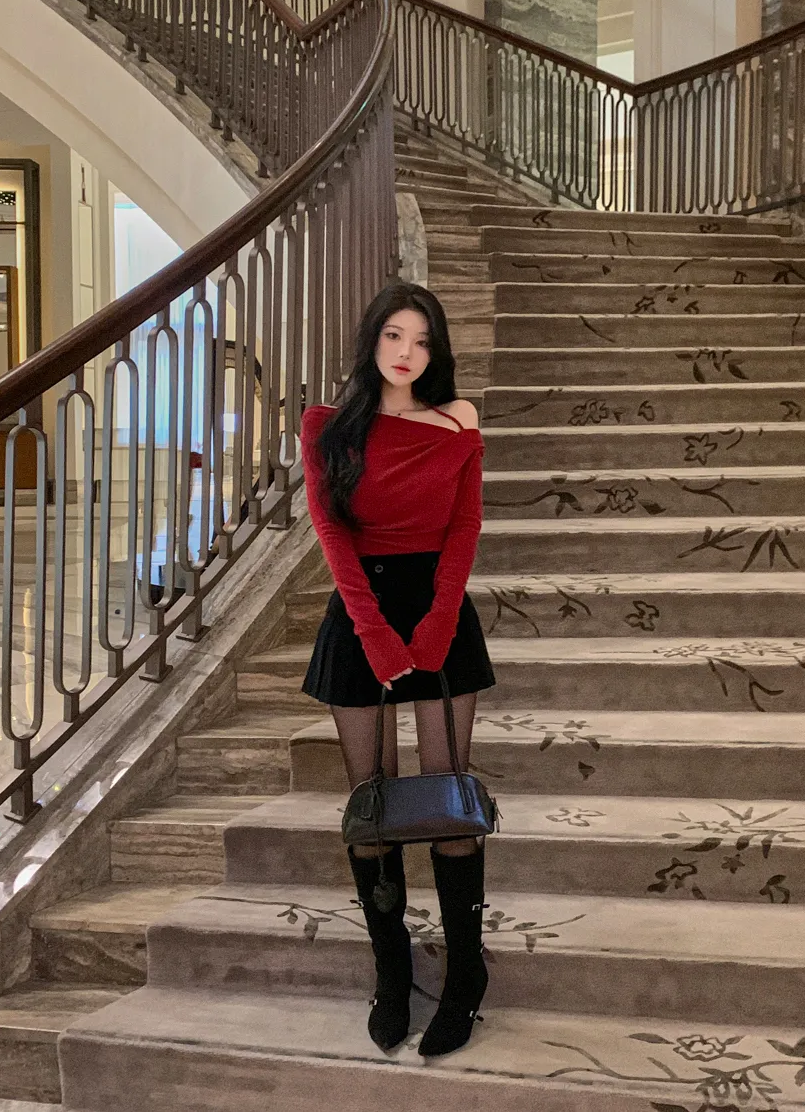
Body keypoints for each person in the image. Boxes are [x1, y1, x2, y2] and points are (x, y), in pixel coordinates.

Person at [300, 282, 495, 1058]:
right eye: (393, 335)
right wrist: (376, 634)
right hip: (361, 616)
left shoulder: (458, 420)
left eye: (421, 339)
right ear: (371, 341)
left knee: (448, 802)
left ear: (436, 350)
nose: (406, 352)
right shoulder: (328, 427)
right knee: (372, 806)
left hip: (438, 609)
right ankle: (392, 974)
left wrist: (439, 621)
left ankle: (466, 974)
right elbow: (332, 533)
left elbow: (464, 525)